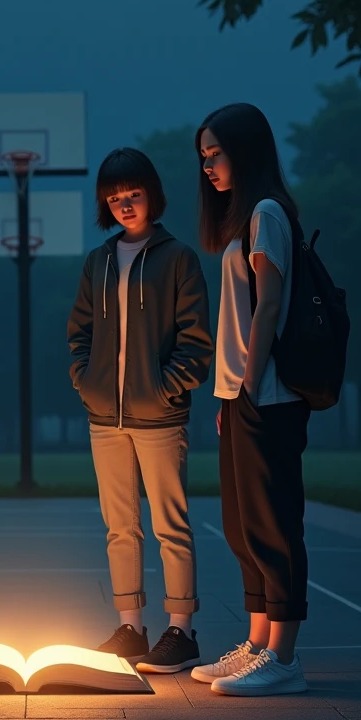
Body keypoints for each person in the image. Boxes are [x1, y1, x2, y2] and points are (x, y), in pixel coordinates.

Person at [68, 148, 213, 673]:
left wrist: (165, 390)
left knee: (170, 525)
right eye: (115, 197)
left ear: (151, 193)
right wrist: (88, 385)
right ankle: (131, 628)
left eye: (133, 194)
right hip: (105, 419)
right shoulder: (99, 261)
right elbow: (78, 335)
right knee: (119, 526)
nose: (125, 204)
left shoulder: (178, 259)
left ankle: (182, 632)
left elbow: (198, 343)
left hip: (161, 418)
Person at [191, 103, 311, 696]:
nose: (208, 165)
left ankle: (283, 659)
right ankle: (258, 643)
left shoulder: (266, 214)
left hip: (269, 395)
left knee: (274, 525)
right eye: (203, 156)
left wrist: (250, 383)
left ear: (247, 149)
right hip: (241, 394)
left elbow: (268, 306)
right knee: (241, 526)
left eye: (216, 152)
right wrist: (230, 394)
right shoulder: (245, 221)